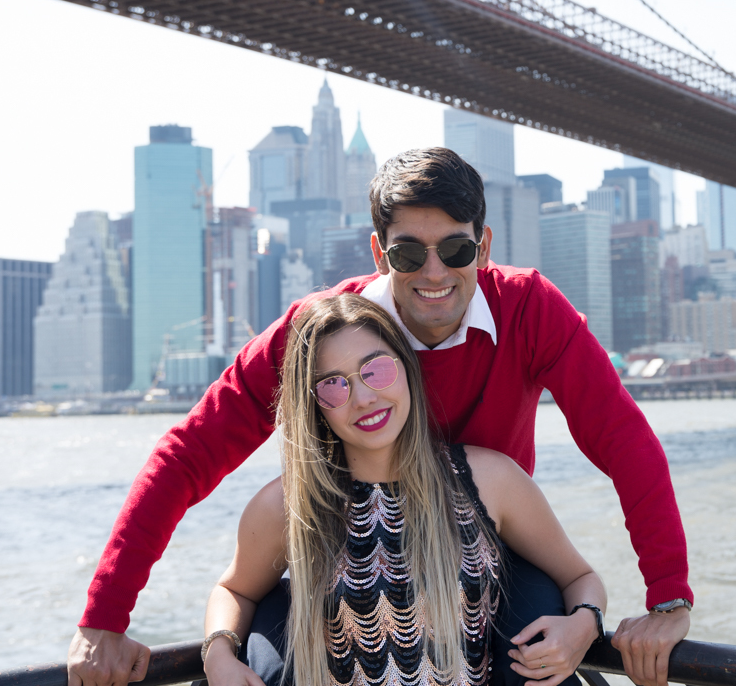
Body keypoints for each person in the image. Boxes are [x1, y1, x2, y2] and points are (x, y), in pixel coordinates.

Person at [68, 148, 692, 686]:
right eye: (407, 252)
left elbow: (622, 440)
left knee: (535, 659)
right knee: (267, 665)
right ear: (376, 250)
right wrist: (104, 619)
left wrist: (667, 596)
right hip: (339, 554)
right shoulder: (318, 332)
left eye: (456, 248)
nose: (434, 273)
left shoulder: (530, 309)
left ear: (485, 244)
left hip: (487, 553)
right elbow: (188, 454)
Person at [202, 294, 606, 686]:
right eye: (334, 386)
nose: (363, 398)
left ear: (406, 367)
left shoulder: (490, 481)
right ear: (314, 406)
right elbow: (234, 589)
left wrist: (583, 626)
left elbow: (580, 577)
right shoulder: (289, 504)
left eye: (376, 370)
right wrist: (218, 653)